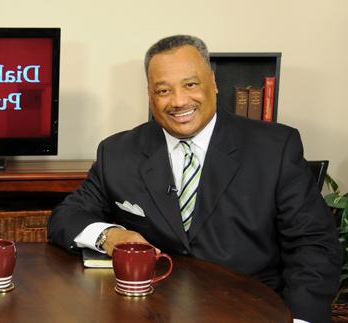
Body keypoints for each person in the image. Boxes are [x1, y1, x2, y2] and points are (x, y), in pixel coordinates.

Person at [47, 35, 342, 323]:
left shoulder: (275, 148)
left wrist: (299, 319)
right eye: (163, 91)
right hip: (151, 311)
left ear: (213, 82)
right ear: (149, 94)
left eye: (190, 85)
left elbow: (314, 245)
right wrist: (109, 236)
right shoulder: (118, 152)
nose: (178, 101)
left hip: (252, 309)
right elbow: (66, 217)